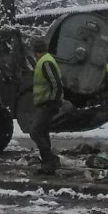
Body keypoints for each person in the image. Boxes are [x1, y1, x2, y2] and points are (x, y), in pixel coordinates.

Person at [30, 38, 64, 174]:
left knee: (35, 131)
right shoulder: (44, 61)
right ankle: (48, 163)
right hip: (45, 102)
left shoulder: (45, 62)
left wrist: (52, 101)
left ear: (35, 51)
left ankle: (50, 160)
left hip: (48, 103)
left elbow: (56, 84)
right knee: (42, 131)